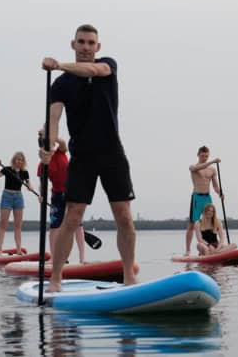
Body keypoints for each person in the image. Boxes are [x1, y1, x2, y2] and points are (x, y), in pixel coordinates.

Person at [41, 23, 138, 290]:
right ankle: (56, 278)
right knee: (72, 217)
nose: (86, 47)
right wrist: (48, 147)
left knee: (124, 216)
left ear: (98, 46)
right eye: (81, 42)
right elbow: (54, 119)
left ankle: (129, 276)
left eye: (90, 43)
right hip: (82, 155)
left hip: (112, 152)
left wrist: (59, 64)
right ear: (73, 44)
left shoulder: (108, 65)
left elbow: (94, 70)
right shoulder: (60, 84)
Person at [38, 133, 87, 264]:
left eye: (50, 145)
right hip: (57, 195)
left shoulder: (60, 151)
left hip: (73, 192)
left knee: (77, 225)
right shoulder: (42, 165)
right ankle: (54, 258)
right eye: (46, 146)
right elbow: (42, 183)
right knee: (54, 227)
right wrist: (42, 194)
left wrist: (49, 134)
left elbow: (63, 143)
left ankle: (82, 259)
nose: (49, 148)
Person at [0, 152, 34, 254]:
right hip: (7, 196)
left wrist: (30, 187)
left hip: (18, 197)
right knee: (3, 224)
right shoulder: (7, 169)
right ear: (14, 160)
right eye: (18, 159)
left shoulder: (24, 172)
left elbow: (29, 184)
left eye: (21, 160)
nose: (19, 161)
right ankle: (0, 250)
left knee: (18, 226)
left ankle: (18, 250)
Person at [186, 146, 223, 256]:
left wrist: (220, 193)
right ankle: (188, 250)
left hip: (208, 197)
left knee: (211, 222)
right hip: (197, 198)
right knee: (192, 224)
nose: (205, 158)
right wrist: (212, 161)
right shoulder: (193, 167)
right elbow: (197, 168)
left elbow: (215, 186)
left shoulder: (212, 170)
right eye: (203, 156)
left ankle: (212, 246)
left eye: (207, 156)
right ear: (198, 155)